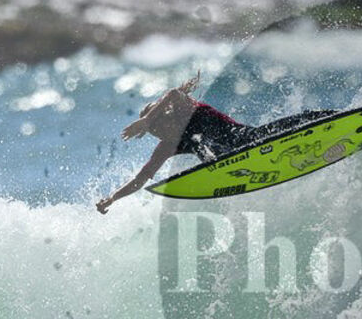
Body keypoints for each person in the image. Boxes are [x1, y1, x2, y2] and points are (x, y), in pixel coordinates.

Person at [95, 73, 333, 214]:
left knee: (274, 130)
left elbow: (174, 93)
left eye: (158, 127)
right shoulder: (168, 146)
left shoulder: (184, 110)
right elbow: (142, 178)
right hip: (230, 161)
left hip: (246, 140)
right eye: (153, 133)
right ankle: (228, 166)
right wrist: (113, 198)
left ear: (167, 117)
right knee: (203, 148)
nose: (158, 134)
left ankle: (334, 116)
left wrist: (146, 120)